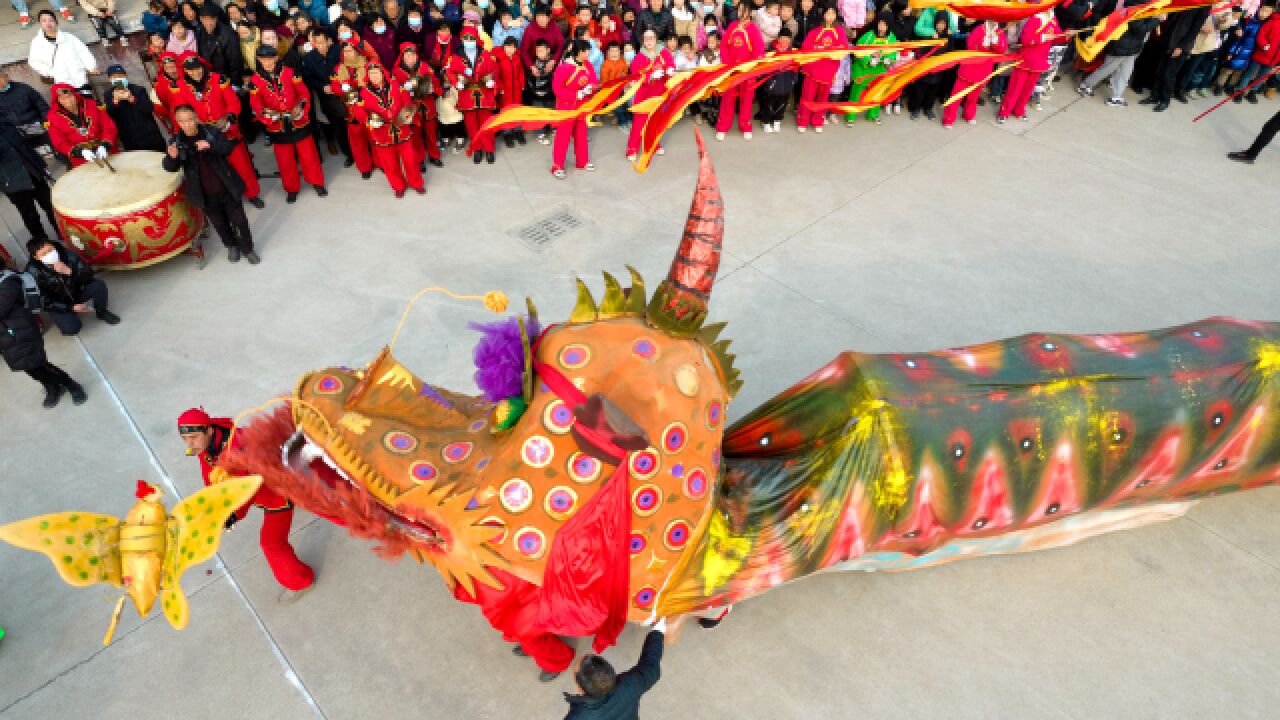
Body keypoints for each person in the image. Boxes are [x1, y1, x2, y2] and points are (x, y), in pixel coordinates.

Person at [177, 407, 315, 604]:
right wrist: (212, 503)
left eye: (194, 438)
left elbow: (246, 489)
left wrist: (230, 516)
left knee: (271, 543)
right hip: (261, 488)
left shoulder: (237, 448)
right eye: (185, 439)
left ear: (208, 431)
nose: (190, 444)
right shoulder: (206, 444)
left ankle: (301, 582)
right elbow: (210, 475)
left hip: (277, 490)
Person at [162, 105, 260, 264]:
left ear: (195, 117)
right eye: (182, 122)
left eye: (190, 120)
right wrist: (171, 158)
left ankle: (248, 249)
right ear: (178, 123)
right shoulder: (175, 141)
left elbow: (227, 148)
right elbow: (169, 167)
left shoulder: (210, 132)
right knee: (220, 224)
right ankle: (231, 246)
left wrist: (210, 145)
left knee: (240, 221)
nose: (187, 125)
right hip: (204, 194)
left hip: (226, 187)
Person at [173, 56, 265, 208]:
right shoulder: (180, 86)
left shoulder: (219, 79)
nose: (195, 72)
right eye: (190, 70)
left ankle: (252, 194)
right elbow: (182, 109)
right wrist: (196, 123)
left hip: (227, 130)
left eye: (198, 68)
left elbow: (234, 103)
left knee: (242, 166)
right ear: (185, 71)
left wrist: (227, 118)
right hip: (203, 135)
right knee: (216, 171)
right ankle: (231, 197)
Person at [0, 256, 87, 408]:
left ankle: (71, 385)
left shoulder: (8, 281)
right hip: (6, 336)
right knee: (28, 368)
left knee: (39, 365)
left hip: (21, 332)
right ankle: (51, 387)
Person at [249, 45, 328, 203]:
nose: (268, 62)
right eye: (264, 59)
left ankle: (317, 183)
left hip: (298, 121)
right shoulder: (255, 81)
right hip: (278, 126)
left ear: (276, 58)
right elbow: (256, 105)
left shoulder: (292, 73)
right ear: (259, 60)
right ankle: (291, 188)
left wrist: (300, 107)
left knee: (309, 157)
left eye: (270, 58)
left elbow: (304, 93)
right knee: (285, 161)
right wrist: (267, 115)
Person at [562, 621, 667, 718]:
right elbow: (651, 667)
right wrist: (658, 631)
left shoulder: (578, 716)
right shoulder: (631, 685)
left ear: (580, 689)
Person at [354, 62, 425, 196]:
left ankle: (417, 183)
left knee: (410, 160)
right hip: (381, 133)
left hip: (402, 129)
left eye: (376, 73)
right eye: (371, 74)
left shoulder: (396, 86)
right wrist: (369, 122)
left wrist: (408, 114)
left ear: (382, 73)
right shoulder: (363, 93)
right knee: (390, 164)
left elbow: (407, 101)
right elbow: (358, 111)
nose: (374, 76)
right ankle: (398, 186)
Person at [24, 236, 121, 335]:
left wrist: (70, 271)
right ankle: (69, 315)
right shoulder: (32, 272)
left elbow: (88, 274)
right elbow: (42, 301)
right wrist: (70, 308)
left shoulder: (67, 254)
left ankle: (102, 312)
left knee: (98, 285)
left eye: (50, 250)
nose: (49, 254)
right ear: (36, 257)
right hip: (59, 302)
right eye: (44, 254)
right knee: (71, 329)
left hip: (76, 291)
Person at [1075, 0, 1157, 108]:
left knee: (1125, 72)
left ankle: (1116, 97)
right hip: (1121, 45)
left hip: (1131, 47)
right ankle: (1085, 86)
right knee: (1107, 69)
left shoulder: (1145, 5)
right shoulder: (1134, 5)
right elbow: (1139, 29)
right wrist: (1156, 20)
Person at [446, 26, 500, 164]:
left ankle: (489, 148)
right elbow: (450, 71)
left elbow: (495, 69)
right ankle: (477, 147)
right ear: (462, 39)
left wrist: (492, 81)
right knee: (471, 124)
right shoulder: (456, 56)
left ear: (477, 39)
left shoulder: (486, 54)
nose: (469, 40)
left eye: (472, 38)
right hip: (467, 94)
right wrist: (455, 82)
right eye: (466, 38)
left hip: (484, 93)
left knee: (486, 122)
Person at [302, 29, 355, 168]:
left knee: (353, 125)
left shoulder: (337, 51)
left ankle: (361, 151)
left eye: (322, 42)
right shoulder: (309, 59)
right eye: (316, 42)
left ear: (328, 42)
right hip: (328, 99)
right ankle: (349, 154)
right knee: (339, 128)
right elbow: (308, 79)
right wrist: (321, 87)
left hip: (346, 94)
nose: (319, 45)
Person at [998, 8, 1061, 122]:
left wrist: (1066, 35)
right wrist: (1043, 37)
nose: (1052, 7)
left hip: (1039, 61)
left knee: (1028, 89)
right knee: (1015, 88)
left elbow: (1056, 37)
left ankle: (1020, 110)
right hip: (1026, 60)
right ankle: (1004, 111)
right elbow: (1025, 39)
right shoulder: (1035, 18)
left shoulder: (1053, 18)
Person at [0, 121, 59, 242]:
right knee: (31, 217)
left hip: (33, 173)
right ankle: (44, 245)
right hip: (13, 184)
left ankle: (62, 232)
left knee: (50, 206)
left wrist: (41, 164)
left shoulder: (7, 126)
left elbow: (26, 147)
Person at [1147, 4, 1210, 111]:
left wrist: (1181, 47)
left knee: (1169, 75)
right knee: (1159, 70)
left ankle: (1164, 100)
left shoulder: (1204, 5)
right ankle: (1154, 96)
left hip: (1181, 45)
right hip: (1168, 39)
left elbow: (1194, 30)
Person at [392, 42, 445, 169]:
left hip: (427, 105)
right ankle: (420, 159)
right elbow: (393, 91)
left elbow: (436, 82)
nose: (411, 57)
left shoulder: (425, 66)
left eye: (413, 54)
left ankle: (434, 156)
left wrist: (433, 88)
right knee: (415, 136)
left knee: (431, 133)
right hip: (411, 108)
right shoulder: (396, 72)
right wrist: (404, 90)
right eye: (407, 55)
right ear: (402, 56)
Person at [717, 4, 765, 141]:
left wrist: (750, 67)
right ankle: (723, 127)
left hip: (747, 71)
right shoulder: (732, 26)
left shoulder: (753, 29)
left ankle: (745, 126)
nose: (742, 12)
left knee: (747, 99)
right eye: (740, 10)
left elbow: (759, 50)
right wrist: (727, 63)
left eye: (745, 10)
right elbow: (724, 46)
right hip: (732, 70)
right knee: (728, 98)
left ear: (750, 12)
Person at [797, 3, 848, 133]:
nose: (830, 16)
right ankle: (803, 120)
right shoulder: (815, 31)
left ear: (836, 15)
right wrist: (818, 50)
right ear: (823, 14)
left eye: (833, 13)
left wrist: (828, 50)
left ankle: (818, 120)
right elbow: (806, 48)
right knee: (808, 96)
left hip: (829, 70)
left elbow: (843, 50)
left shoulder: (840, 31)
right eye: (828, 13)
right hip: (813, 70)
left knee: (823, 97)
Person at [551, 39, 598, 178]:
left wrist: (591, 89)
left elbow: (594, 81)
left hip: (582, 105)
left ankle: (582, 161)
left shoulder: (587, 65)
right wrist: (576, 94)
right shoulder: (563, 68)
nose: (588, 53)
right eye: (586, 51)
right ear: (578, 52)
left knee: (581, 133)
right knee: (563, 136)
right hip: (567, 107)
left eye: (589, 50)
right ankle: (557, 165)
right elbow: (557, 90)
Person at [945, 19, 1006, 126]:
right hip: (970, 67)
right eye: (993, 19)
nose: (995, 22)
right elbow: (970, 46)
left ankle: (969, 115)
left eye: (996, 20)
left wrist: (996, 44)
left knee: (974, 96)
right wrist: (983, 44)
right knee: (957, 95)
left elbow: (1002, 50)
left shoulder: (999, 32)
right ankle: (948, 118)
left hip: (984, 69)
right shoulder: (978, 29)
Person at [626, 27, 674, 160]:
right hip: (644, 95)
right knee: (639, 123)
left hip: (660, 93)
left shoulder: (664, 52)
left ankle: (653, 144)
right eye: (646, 38)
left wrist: (670, 70)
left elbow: (670, 64)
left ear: (656, 39)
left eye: (651, 38)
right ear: (642, 41)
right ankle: (632, 149)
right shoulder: (639, 58)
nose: (649, 41)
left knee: (656, 121)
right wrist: (650, 76)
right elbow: (636, 77)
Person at [46, 84, 118, 168]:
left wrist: (105, 145)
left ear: (75, 95)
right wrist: (80, 152)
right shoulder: (52, 118)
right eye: (62, 98)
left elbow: (108, 127)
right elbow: (60, 142)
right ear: (57, 100)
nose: (68, 101)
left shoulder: (94, 105)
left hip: (106, 151)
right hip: (81, 159)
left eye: (69, 96)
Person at [333, 40, 376, 177]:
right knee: (357, 142)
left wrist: (353, 85)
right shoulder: (338, 68)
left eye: (350, 50)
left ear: (357, 51)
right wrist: (343, 88)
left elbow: (374, 83)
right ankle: (365, 168)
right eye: (345, 51)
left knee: (374, 139)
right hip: (350, 112)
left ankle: (380, 163)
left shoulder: (367, 66)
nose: (348, 54)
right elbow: (335, 87)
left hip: (368, 108)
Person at [27, 10, 97, 91]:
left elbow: (83, 52)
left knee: (87, 101)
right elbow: (33, 61)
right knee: (69, 103)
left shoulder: (69, 37)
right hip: (62, 82)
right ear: (40, 23)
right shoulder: (37, 42)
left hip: (80, 78)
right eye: (44, 21)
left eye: (51, 20)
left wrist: (91, 67)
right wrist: (50, 72)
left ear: (56, 22)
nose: (48, 23)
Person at [104, 65, 167, 152]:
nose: (118, 79)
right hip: (129, 138)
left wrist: (132, 99)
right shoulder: (108, 94)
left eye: (121, 76)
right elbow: (110, 115)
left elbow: (149, 108)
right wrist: (115, 101)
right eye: (114, 77)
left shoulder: (139, 90)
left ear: (126, 76)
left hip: (149, 136)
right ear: (109, 79)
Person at [847, 14, 897, 126]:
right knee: (856, 93)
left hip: (879, 70)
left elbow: (893, 54)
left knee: (877, 93)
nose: (882, 27)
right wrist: (868, 60)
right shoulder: (868, 36)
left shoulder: (891, 38)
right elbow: (858, 50)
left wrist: (888, 60)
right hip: (863, 70)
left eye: (885, 25)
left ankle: (873, 115)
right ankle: (850, 116)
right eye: (880, 23)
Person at [1237, 2, 1280, 103]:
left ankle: (1253, 92)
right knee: (1249, 73)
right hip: (1262, 54)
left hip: (1274, 58)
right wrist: (1265, 46)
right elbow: (1261, 35)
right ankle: (1240, 91)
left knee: (1262, 76)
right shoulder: (1272, 22)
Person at [756, 28, 795, 133]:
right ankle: (766, 122)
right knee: (768, 104)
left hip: (786, 84)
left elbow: (795, 69)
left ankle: (777, 120)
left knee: (782, 103)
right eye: (782, 39)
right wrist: (770, 82)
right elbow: (765, 68)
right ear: (778, 39)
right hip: (772, 85)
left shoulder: (792, 53)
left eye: (787, 40)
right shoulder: (771, 51)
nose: (784, 42)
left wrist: (792, 81)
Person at [196, 3, 245, 83]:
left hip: (225, 78)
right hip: (209, 76)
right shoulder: (200, 31)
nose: (209, 23)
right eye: (205, 19)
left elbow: (236, 62)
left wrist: (234, 82)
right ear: (201, 19)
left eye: (212, 19)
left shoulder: (228, 35)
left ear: (216, 19)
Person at [493, 36, 528, 148]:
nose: (510, 49)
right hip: (506, 91)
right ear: (504, 46)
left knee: (517, 110)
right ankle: (507, 133)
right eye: (507, 46)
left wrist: (522, 84)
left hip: (517, 89)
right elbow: (497, 76)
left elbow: (521, 72)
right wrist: (501, 88)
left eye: (512, 46)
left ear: (515, 48)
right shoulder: (499, 59)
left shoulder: (518, 58)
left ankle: (518, 131)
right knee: (506, 112)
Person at [524, 38, 557, 144]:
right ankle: (540, 133)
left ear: (548, 50)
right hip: (537, 95)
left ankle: (553, 128)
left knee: (552, 111)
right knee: (539, 114)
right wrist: (532, 82)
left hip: (550, 93)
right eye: (537, 51)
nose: (539, 53)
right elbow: (529, 78)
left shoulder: (552, 62)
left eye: (541, 50)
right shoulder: (534, 63)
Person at [0, 68, 50, 137]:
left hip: (37, 126)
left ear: (6, 76)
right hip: (15, 134)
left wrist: (46, 125)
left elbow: (44, 108)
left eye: (0, 77)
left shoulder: (23, 88)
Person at [522, 4, 566, 68]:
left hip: (551, 58)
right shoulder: (529, 29)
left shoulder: (554, 27)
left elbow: (561, 45)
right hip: (535, 61)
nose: (540, 19)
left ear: (549, 17)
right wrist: (531, 66)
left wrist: (554, 60)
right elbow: (524, 51)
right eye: (538, 17)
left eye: (543, 16)